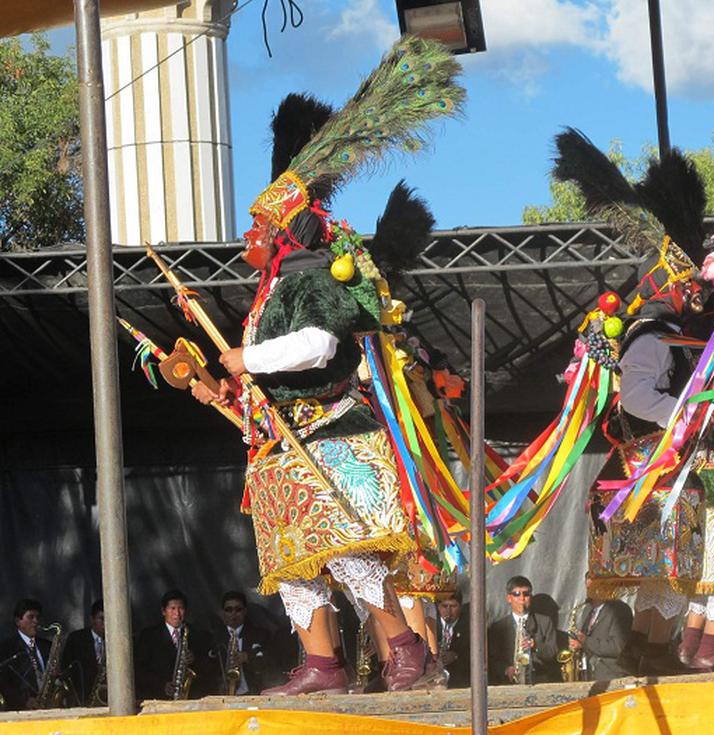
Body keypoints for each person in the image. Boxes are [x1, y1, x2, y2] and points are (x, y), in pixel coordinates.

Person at [188, 37, 464, 696]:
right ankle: (321, 662)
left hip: (330, 433)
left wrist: (245, 356)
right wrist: (228, 380)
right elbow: (268, 368)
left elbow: (316, 344)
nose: (250, 234)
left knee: (345, 547)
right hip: (283, 443)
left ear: (286, 227)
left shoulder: (311, 276)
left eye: (259, 225)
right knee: (292, 559)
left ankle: (405, 648)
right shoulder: (273, 289)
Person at [552, 135, 714, 675]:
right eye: (692, 282)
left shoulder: (683, 331)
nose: (701, 292)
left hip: (669, 468)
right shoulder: (652, 329)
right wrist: (695, 413)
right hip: (660, 470)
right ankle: (658, 660)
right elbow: (640, 397)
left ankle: (648, 659)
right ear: (670, 278)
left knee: (665, 584)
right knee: (671, 577)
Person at [134, 590, 214, 700]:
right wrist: (162, 685)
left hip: (191, 698)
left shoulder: (198, 635)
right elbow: (140, 670)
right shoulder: (149, 636)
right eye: (172, 609)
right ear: (163, 611)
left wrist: (195, 659)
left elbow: (209, 669)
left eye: (180, 608)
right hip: (158, 699)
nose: (177, 614)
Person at [487, 577, 558, 685]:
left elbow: (552, 652)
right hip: (508, 684)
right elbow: (492, 659)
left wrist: (536, 646)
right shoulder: (498, 627)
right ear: (509, 598)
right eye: (516, 594)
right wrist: (506, 669)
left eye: (526, 594)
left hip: (538, 681)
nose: (522, 598)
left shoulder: (544, 622)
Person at [215, 591, 271, 696]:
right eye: (229, 610)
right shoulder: (214, 638)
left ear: (245, 611)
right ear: (223, 613)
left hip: (253, 694)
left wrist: (248, 657)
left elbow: (271, 664)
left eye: (238, 609)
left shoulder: (261, 635)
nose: (233, 614)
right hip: (220, 695)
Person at [0, 599, 51, 710]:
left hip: (48, 706)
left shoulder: (47, 645)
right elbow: (4, 683)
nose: (35, 621)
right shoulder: (7, 648)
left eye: (37, 617)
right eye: (31, 617)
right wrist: (23, 702)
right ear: (18, 621)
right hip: (21, 711)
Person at [568, 598, 633, 681]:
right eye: (586, 583)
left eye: (591, 583)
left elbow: (618, 647)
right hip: (591, 675)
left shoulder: (619, 609)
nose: (588, 585)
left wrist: (586, 641)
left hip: (612, 676)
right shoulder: (587, 609)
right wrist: (580, 644)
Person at [63, 599, 106, 706]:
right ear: (92, 620)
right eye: (102, 619)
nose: (106, 623)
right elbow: (66, 668)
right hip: (82, 698)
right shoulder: (77, 638)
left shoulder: (116, 639)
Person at [436, 593, 469, 689]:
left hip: (460, 680)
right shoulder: (430, 623)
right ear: (438, 607)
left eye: (453, 606)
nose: (448, 611)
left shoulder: (470, 625)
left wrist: (456, 656)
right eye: (444, 606)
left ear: (461, 607)